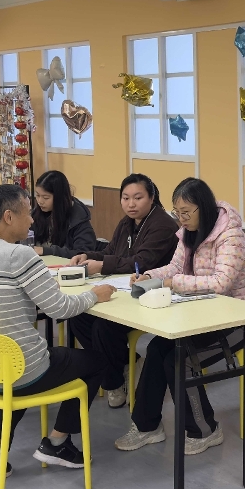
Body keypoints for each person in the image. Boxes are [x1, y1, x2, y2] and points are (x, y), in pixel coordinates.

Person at [0, 184, 115, 475]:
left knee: (11, 357)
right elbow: (60, 309)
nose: (31, 220)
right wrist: (95, 295)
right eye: (27, 214)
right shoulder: (19, 255)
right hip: (22, 370)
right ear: (8, 217)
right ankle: (57, 441)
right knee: (97, 361)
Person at [115, 178, 245, 455]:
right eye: (177, 212)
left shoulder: (230, 236)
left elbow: (221, 283)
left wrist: (175, 283)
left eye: (186, 213)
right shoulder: (187, 232)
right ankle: (147, 426)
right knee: (156, 348)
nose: (181, 219)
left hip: (237, 323)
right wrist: (149, 275)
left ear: (202, 208)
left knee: (179, 358)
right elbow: (174, 267)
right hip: (201, 316)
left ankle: (205, 429)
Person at [67, 173, 179, 408]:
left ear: (152, 198)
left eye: (138, 197)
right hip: (124, 294)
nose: (131, 204)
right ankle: (125, 365)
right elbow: (110, 252)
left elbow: (142, 261)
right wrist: (87, 256)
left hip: (152, 298)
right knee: (78, 318)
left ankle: (112, 382)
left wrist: (101, 266)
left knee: (103, 327)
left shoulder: (163, 225)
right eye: (125, 198)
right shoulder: (127, 222)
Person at [31, 170, 97, 258]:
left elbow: (83, 253)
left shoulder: (78, 218)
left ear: (59, 197)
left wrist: (47, 251)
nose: (40, 201)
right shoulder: (37, 213)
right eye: (37, 195)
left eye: (46, 198)